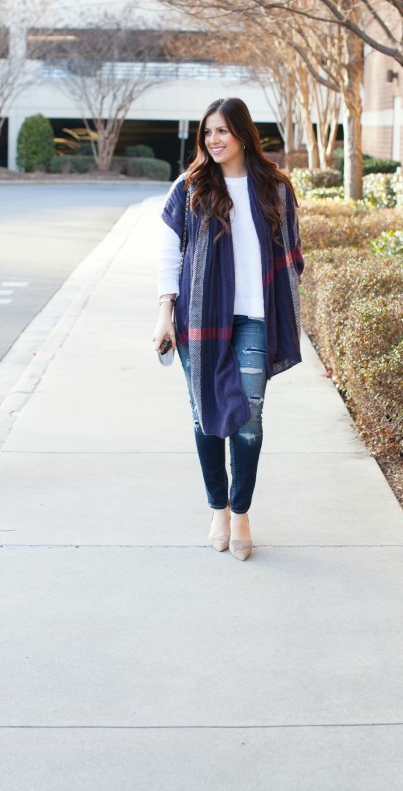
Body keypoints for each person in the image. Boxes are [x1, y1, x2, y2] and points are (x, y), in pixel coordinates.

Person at [152, 96, 304, 561]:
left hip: (254, 316)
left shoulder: (274, 188)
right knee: (204, 416)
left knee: (249, 421)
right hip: (199, 319)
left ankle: (241, 513)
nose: (214, 140)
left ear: (242, 134)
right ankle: (217, 509)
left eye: (222, 131)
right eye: (208, 133)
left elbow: (291, 256)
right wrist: (164, 313)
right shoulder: (191, 186)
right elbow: (170, 255)